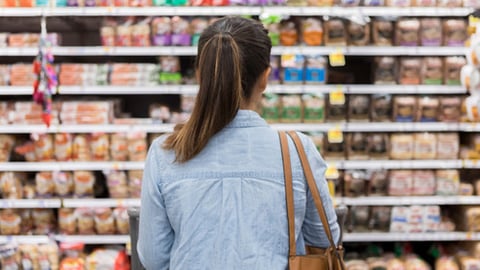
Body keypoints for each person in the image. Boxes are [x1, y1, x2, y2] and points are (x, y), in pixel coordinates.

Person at [138, 16, 340, 270]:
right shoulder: (297, 150)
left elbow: (154, 257)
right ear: (265, 78)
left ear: (201, 76)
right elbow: (324, 238)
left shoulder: (165, 153)